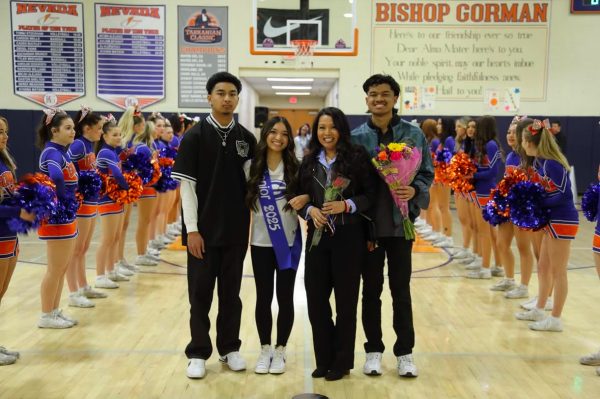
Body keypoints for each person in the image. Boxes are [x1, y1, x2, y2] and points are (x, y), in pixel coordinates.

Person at [172, 72, 256, 379]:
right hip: (202, 235)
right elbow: (187, 189)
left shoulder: (247, 139)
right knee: (200, 296)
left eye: (232, 93)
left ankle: (230, 348)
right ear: (210, 97)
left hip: (235, 233)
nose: (227, 98)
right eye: (221, 93)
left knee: (231, 296)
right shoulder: (193, 137)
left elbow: (253, 187)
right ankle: (197, 352)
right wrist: (192, 230)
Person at [351, 74, 434, 377]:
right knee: (370, 291)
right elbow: (347, 181)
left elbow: (426, 173)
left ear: (396, 98)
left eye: (385, 94)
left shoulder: (413, 135)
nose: (379, 99)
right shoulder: (357, 137)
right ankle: (373, 350)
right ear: (367, 99)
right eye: (373, 94)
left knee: (401, 290)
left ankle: (405, 353)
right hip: (369, 228)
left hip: (401, 227)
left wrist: (414, 191)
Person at [299, 107, 377, 381]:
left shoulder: (356, 158)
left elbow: (371, 195)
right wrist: (310, 210)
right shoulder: (308, 162)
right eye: (321, 127)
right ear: (315, 131)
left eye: (332, 127)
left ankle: (341, 362)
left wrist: (347, 204)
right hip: (317, 240)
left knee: (346, 304)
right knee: (316, 302)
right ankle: (324, 359)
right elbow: (299, 198)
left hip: (349, 239)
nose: (326, 133)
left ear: (341, 129)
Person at [244, 116, 307, 375]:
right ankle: (265, 348)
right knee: (262, 298)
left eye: (283, 133)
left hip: (289, 242)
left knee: (285, 297)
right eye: (273, 132)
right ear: (265, 134)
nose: (278, 137)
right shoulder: (250, 166)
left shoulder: (297, 166)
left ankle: (281, 350)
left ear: (289, 139)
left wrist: (306, 199)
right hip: (259, 243)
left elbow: (309, 199)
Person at [515, 119, 578, 332]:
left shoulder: (552, 163)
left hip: (563, 219)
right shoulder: (542, 163)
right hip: (552, 219)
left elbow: (563, 195)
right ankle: (540, 309)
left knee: (559, 271)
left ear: (530, 142)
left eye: (522, 140)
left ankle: (556, 319)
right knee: (543, 267)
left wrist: (537, 203)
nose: (521, 144)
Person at [37, 109, 80, 328]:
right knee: (55, 268)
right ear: (54, 131)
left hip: (66, 215)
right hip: (57, 217)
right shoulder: (52, 152)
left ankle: (54, 311)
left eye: (73, 127)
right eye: (68, 128)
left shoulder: (62, 152)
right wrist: (64, 198)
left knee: (62, 266)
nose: (73, 131)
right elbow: (55, 176)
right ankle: (45, 315)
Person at [0, 116, 36, 365]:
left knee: (1, 293)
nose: (5, 136)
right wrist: (18, 212)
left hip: (9, 234)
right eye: (0, 131)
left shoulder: (4, 161)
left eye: (6, 131)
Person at [64, 106, 107, 308]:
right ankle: (73, 292)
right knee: (76, 250)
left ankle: (83, 285)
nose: (101, 132)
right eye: (99, 128)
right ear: (87, 128)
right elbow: (68, 171)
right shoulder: (79, 145)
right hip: (81, 204)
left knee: (83, 248)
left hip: (91, 202)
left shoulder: (90, 146)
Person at [491, 118, 535, 297]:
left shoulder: (530, 158)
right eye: (508, 131)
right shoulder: (510, 156)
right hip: (508, 206)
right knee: (502, 243)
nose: (510, 135)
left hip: (523, 207)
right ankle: (509, 280)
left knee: (524, 247)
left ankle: (523, 287)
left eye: (514, 132)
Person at [466, 116, 504, 279]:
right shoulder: (481, 145)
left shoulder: (491, 145)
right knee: (487, 231)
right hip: (479, 191)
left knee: (485, 231)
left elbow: (493, 172)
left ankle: (486, 269)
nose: (474, 129)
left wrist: (473, 174)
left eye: (478, 126)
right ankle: (498, 265)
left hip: (486, 191)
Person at [94, 118, 129, 290]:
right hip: (107, 199)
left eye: (120, 134)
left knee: (115, 237)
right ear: (104, 136)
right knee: (107, 239)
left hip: (116, 199)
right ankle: (100, 275)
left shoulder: (114, 152)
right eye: (114, 135)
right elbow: (117, 175)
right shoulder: (106, 152)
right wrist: (130, 186)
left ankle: (111, 270)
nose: (118, 137)